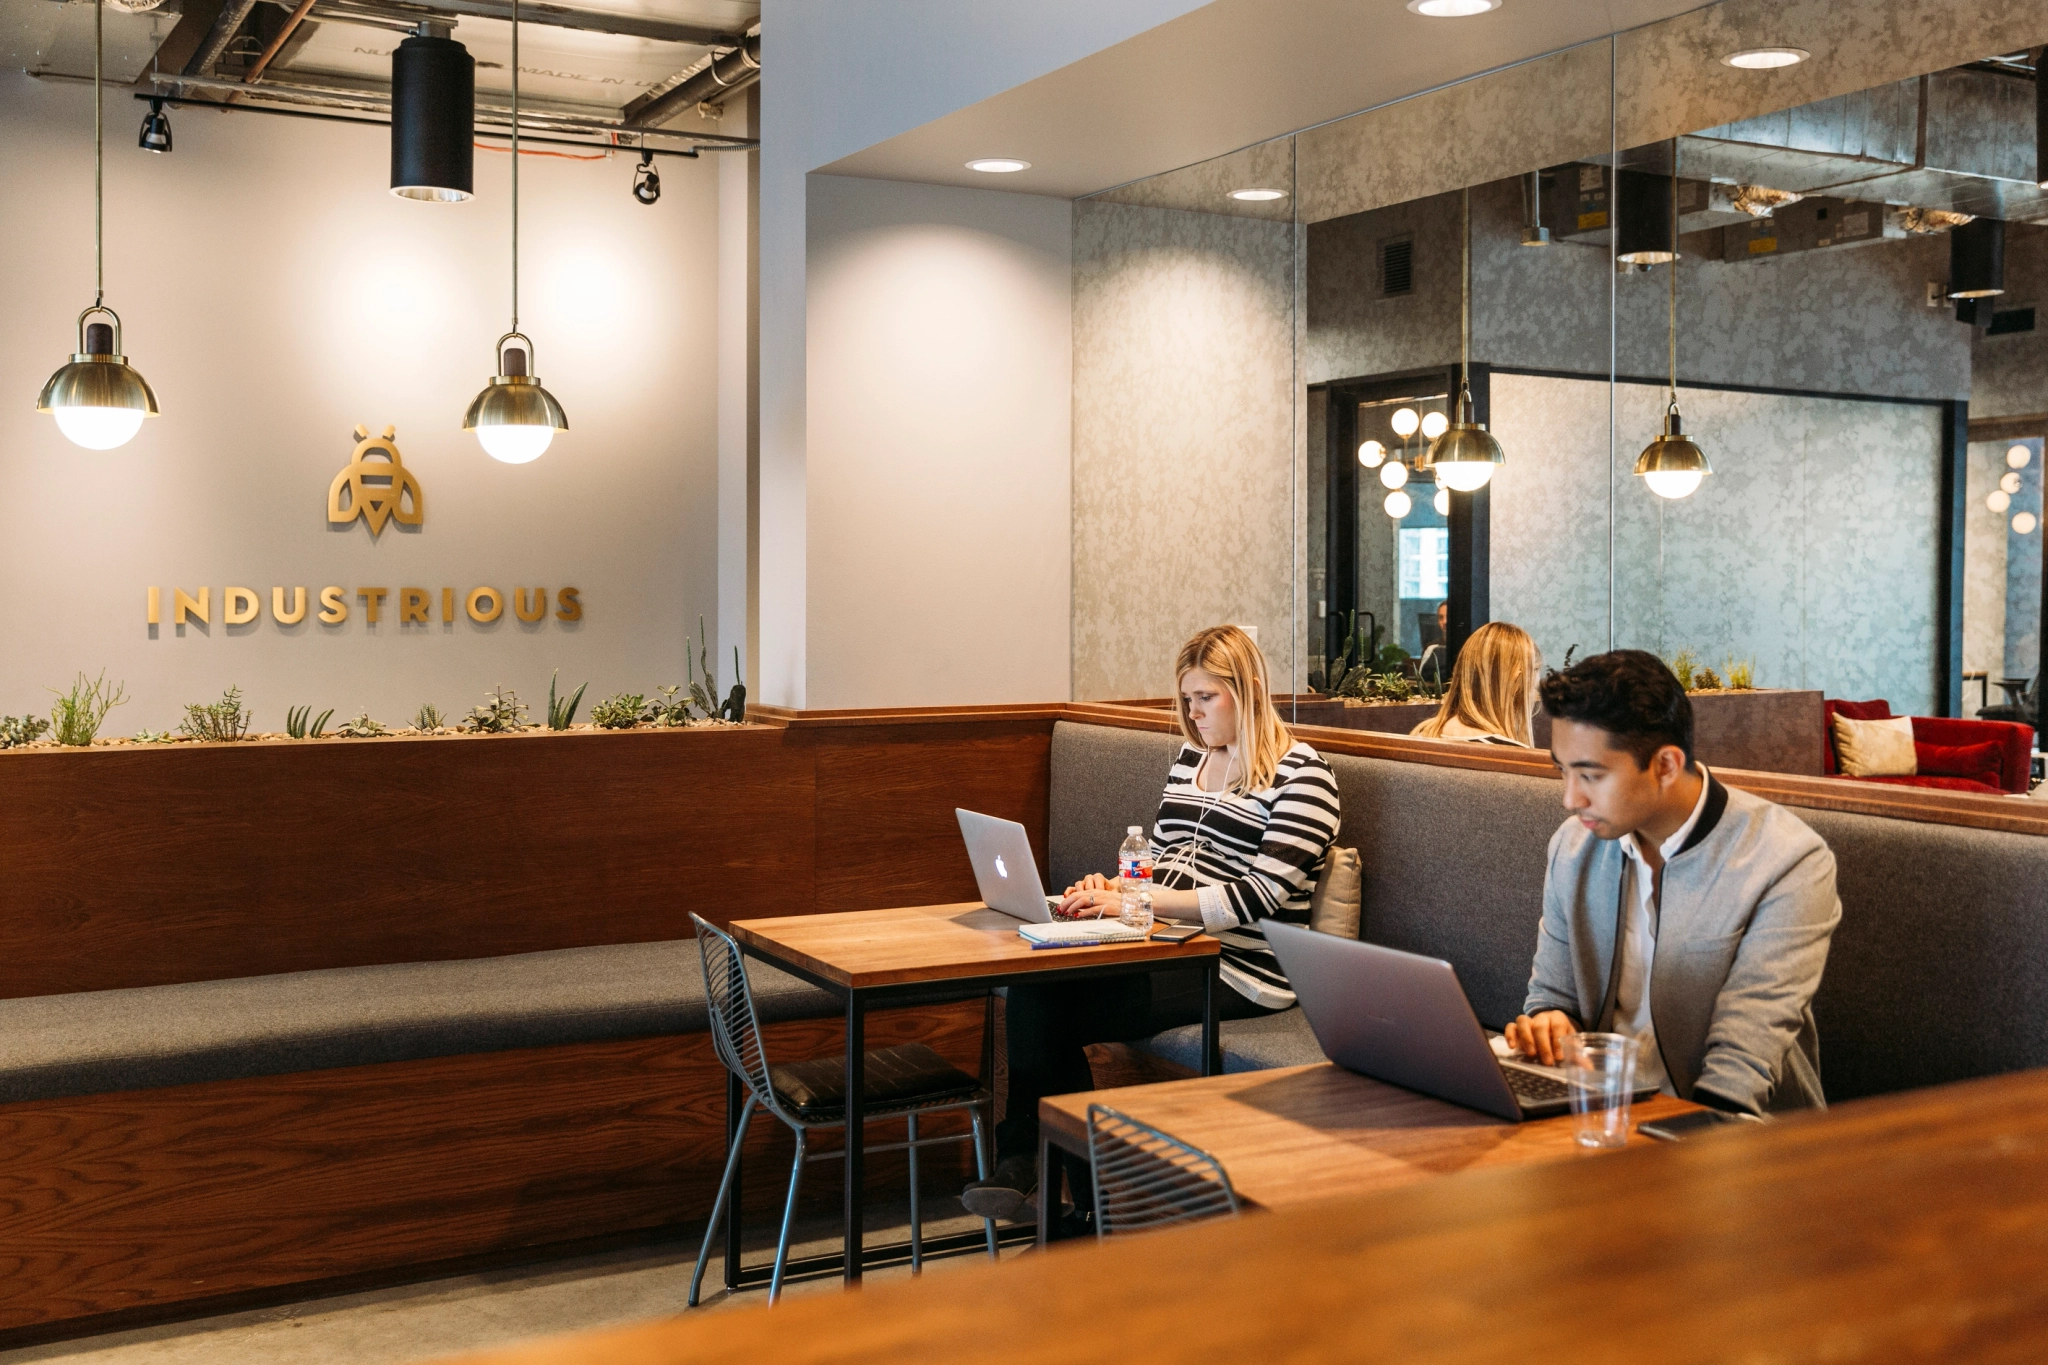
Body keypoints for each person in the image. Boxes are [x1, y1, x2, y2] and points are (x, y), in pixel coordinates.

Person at [960, 624, 1341, 1227]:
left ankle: (1050, 1184)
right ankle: (1065, 1191)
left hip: (1243, 969)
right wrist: (1113, 890)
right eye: (1188, 699)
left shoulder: (1304, 777)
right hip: (1165, 945)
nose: (1193, 714)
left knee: (1055, 1010)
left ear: (1247, 690)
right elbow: (1161, 859)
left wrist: (1141, 903)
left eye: (1206, 698)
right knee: (1038, 986)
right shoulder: (1191, 761)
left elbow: (1255, 899)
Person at [1503, 650, 1840, 1114]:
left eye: (1590, 775)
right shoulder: (1572, 847)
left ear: (1665, 765)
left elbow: (1741, 1068)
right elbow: (1552, 996)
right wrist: (1549, 1024)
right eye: (1562, 770)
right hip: (1603, 1118)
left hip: (1740, 1141)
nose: (1569, 798)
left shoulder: (1786, 860)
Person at [1410, 621, 1541, 746]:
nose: (1537, 681)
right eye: (1535, 669)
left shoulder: (1420, 736)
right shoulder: (1512, 757)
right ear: (1516, 677)